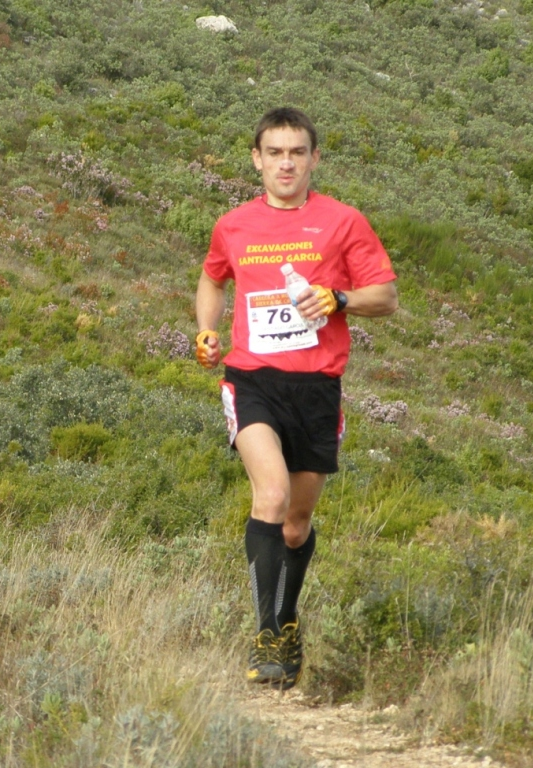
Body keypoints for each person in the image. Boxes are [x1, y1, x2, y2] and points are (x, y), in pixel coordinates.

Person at [193, 107, 398, 691]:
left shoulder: (343, 222)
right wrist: (208, 331)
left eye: (297, 152)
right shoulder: (233, 224)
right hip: (252, 379)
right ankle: (264, 636)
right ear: (257, 158)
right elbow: (213, 277)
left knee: (297, 523)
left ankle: (286, 621)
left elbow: (384, 297)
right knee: (273, 494)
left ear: (314, 159)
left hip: (316, 387)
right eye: (275, 152)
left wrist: (339, 299)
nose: (286, 163)